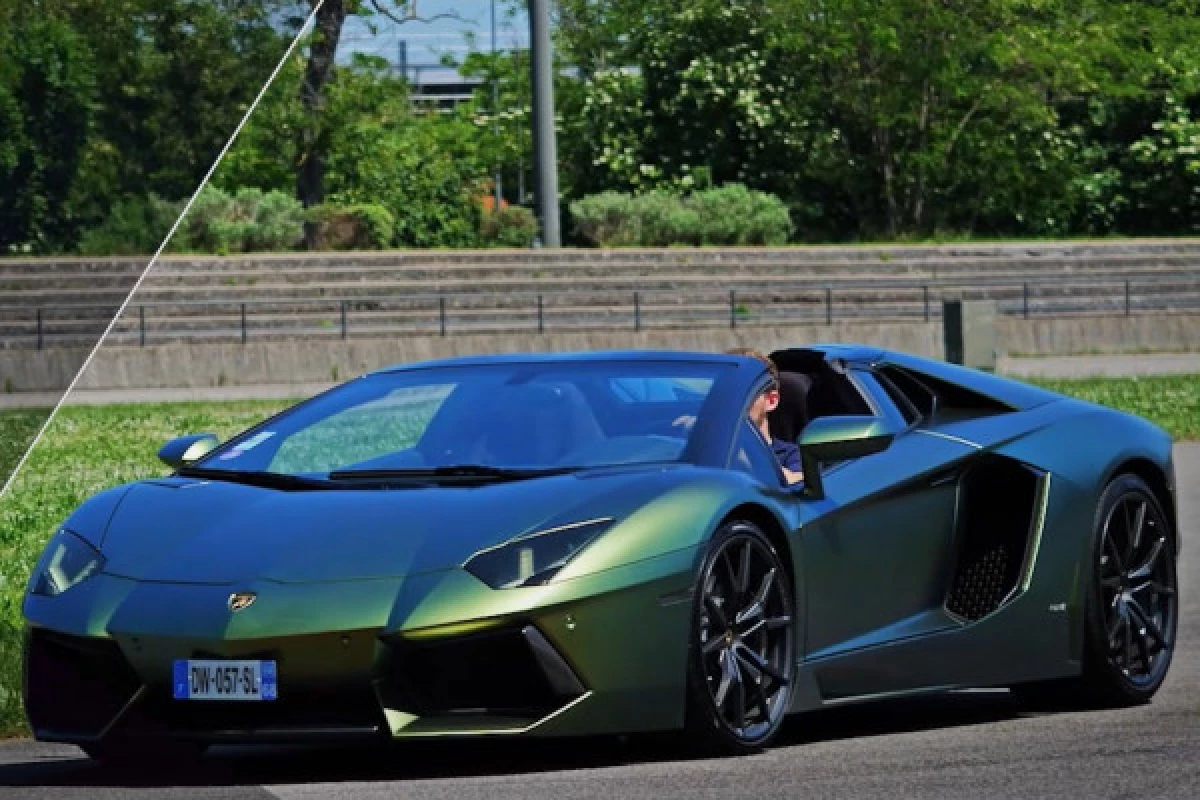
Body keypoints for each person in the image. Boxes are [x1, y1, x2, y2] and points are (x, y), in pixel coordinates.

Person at [726, 348, 803, 485]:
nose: (733, 402)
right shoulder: (704, 449)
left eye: (744, 393)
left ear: (771, 401)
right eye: (726, 393)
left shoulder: (790, 455)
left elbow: (798, 479)